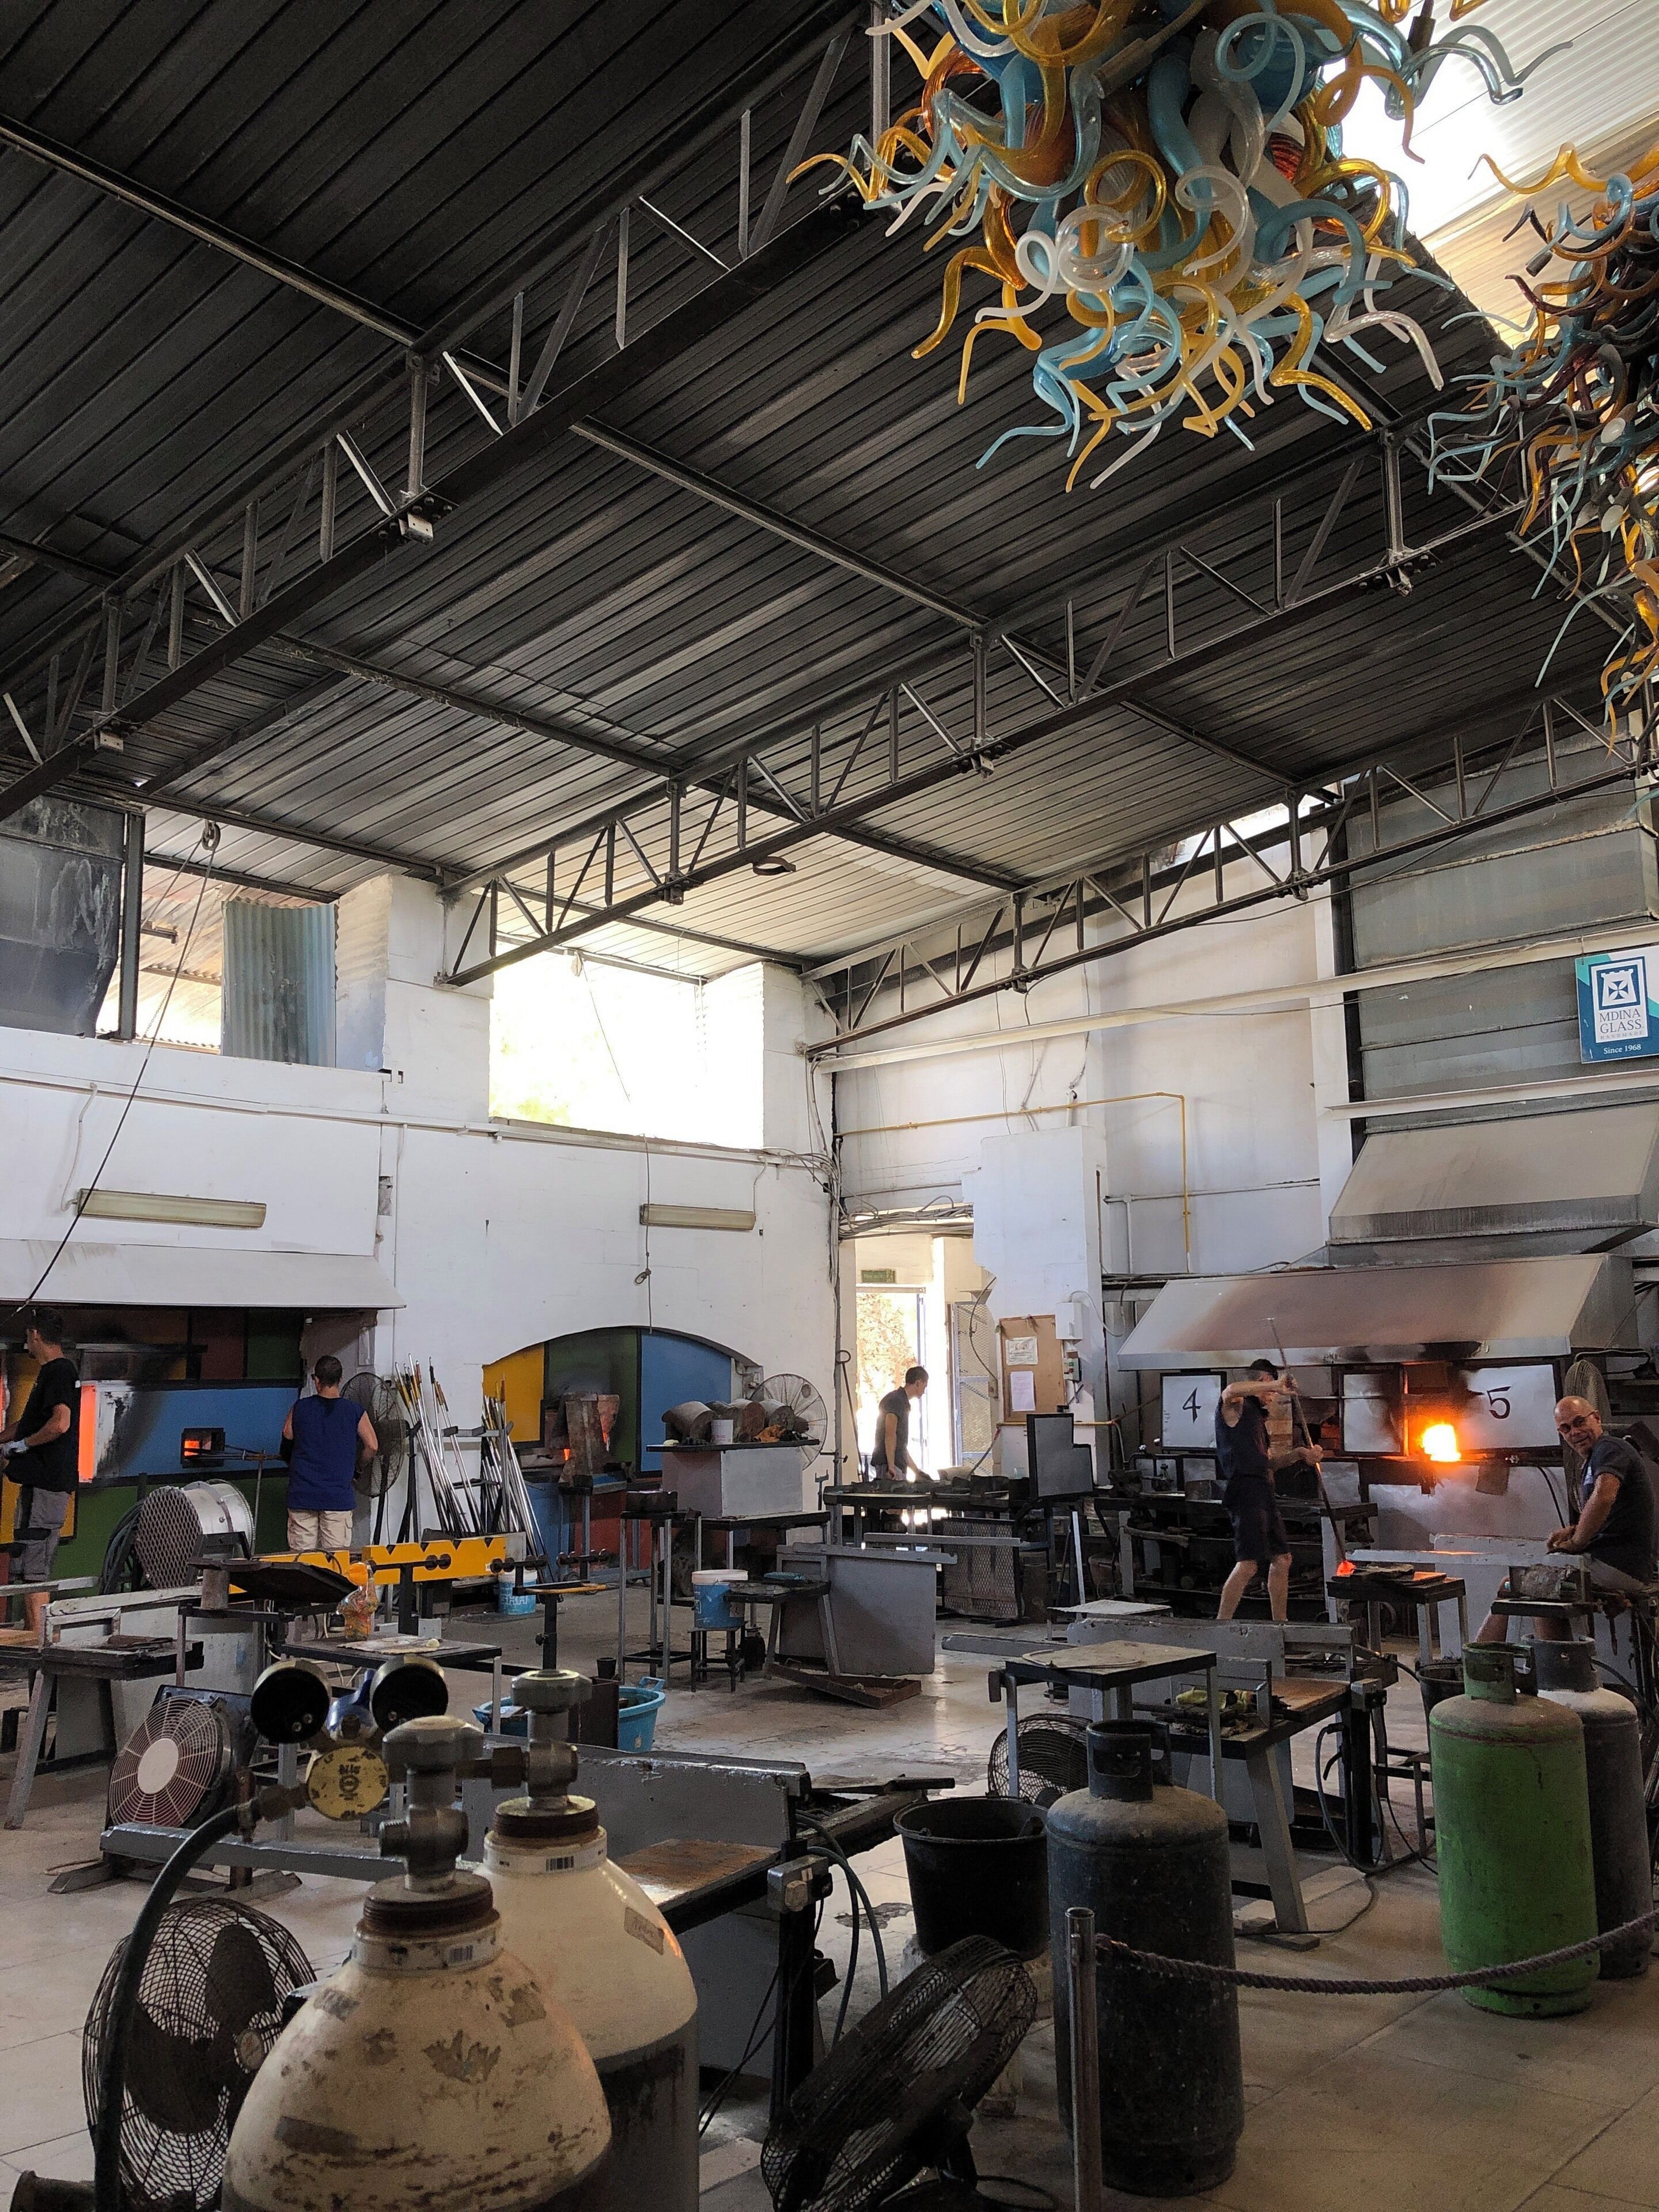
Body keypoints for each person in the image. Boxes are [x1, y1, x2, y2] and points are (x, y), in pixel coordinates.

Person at [1473, 1396, 1657, 1644]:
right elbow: (1613, 1515)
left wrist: (1578, 1541)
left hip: (1618, 1565)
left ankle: (1483, 1667)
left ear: (1598, 1418)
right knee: (1533, 1589)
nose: (1575, 1432)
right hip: (1617, 1563)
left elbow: (1604, 1497)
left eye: (1580, 1422)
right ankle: (1559, 1668)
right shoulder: (1593, 1461)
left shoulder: (1610, 1448)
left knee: (1512, 1586)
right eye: (1566, 1428)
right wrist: (1573, 1530)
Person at [1214, 1359, 1323, 1623]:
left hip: (1264, 1490)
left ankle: (1280, 1625)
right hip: (1245, 1491)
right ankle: (1221, 1625)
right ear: (1262, 1382)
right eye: (1272, 1391)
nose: (1273, 1398)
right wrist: (1278, 1383)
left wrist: (1301, 1454)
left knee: (1283, 1559)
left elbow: (1269, 1462)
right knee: (1249, 1564)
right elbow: (1230, 1390)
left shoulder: (1258, 1421)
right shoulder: (1236, 1407)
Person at [0, 1310, 81, 1638]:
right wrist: (7, 1439)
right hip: (36, 1485)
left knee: (35, 1568)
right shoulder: (48, 1374)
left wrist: (22, 1446)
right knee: (25, 1564)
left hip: (47, 1485)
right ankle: (33, 1635)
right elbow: (28, 1424)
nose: (25, 1342)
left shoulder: (60, 1372)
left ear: (35, 1335)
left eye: (26, 1335)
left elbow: (60, 1423)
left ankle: (37, 1643)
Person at [283, 1354, 376, 1554]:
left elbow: (287, 1436)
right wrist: (357, 1468)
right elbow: (373, 1445)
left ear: (316, 1380)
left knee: (301, 1561)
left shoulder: (299, 1408)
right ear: (340, 1380)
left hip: (303, 1496)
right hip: (337, 1498)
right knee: (336, 1562)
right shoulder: (355, 1412)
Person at [870, 1365, 929, 1482]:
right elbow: (890, 1434)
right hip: (888, 1466)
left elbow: (900, 1445)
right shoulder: (896, 1401)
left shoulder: (902, 1402)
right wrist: (891, 1466)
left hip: (896, 1464)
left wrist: (917, 1471)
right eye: (924, 1387)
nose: (924, 1391)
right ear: (919, 1382)